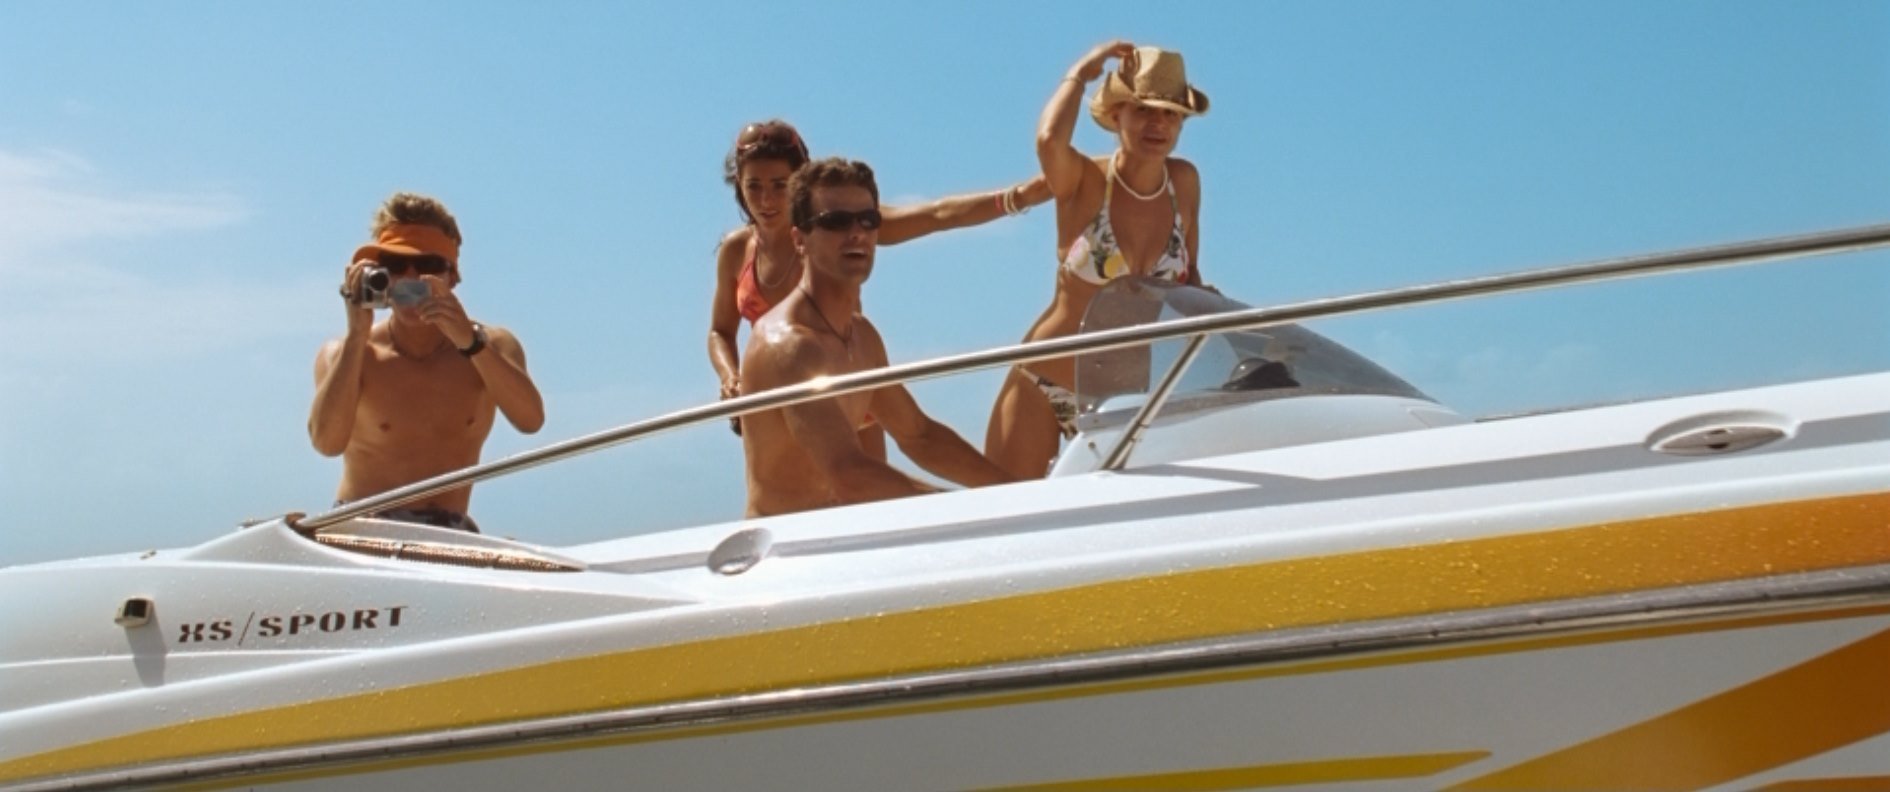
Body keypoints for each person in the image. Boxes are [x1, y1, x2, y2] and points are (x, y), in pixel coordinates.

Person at [708, 120, 1052, 452]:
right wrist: (730, 377)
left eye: (779, 185)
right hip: (778, 405)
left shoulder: (835, 227)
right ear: (739, 184)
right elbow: (720, 331)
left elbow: (936, 215)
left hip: (849, 397)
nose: (766, 200)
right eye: (754, 186)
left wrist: (1017, 197)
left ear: (799, 182)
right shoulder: (736, 251)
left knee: (871, 487)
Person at [739, 158, 1015, 517]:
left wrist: (1016, 493)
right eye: (836, 221)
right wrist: (963, 508)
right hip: (786, 540)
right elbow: (848, 473)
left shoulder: (861, 336)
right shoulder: (788, 346)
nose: (857, 233)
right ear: (799, 239)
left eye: (868, 220)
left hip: (841, 533)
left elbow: (919, 436)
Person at [984, 42, 1209, 479]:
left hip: (1126, 399)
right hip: (1045, 381)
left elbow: (1188, 277)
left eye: (1171, 113)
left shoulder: (1184, 182)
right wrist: (1080, 73)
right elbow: (1049, 140)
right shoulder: (1086, 180)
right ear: (1116, 114)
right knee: (1011, 511)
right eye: (1143, 110)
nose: (1158, 123)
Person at [308, 192, 545, 532]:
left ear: (452, 277)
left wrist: (470, 342)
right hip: (361, 527)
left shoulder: (492, 346)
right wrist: (357, 335)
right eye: (395, 265)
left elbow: (531, 420)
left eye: (427, 266)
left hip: (449, 528)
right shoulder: (348, 354)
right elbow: (326, 444)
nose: (410, 278)